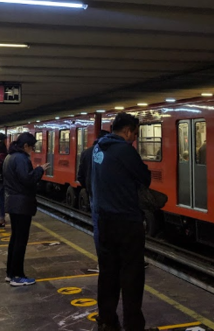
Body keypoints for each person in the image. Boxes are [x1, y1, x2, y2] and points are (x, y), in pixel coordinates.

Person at [92, 113, 152, 331]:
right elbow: (145, 177)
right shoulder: (126, 150)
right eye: (134, 134)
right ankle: (133, 326)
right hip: (126, 221)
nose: (134, 138)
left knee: (107, 273)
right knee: (131, 276)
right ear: (128, 131)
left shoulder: (99, 148)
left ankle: (107, 321)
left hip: (104, 220)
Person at [3, 132, 49, 286]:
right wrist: (39, 170)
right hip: (22, 203)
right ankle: (17, 275)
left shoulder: (9, 157)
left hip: (13, 201)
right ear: (25, 146)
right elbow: (28, 180)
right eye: (32, 147)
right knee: (21, 240)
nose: (33, 150)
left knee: (15, 239)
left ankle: (10, 273)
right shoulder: (21, 159)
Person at [77, 129, 110, 272]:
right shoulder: (112, 153)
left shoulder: (86, 153)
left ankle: (102, 260)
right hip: (111, 196)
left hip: (94, 196)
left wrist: (89, 188)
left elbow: (80, 177)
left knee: (98, 227)